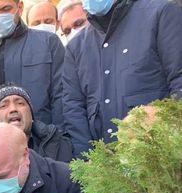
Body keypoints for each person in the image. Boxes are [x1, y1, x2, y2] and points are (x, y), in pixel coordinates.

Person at [62, 0, 182, 157]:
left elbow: (178, 78)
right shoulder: (76, 47)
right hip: (107, 164)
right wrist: (88, 160)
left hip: (160, 155)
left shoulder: (160, 13)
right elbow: (74, 108)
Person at [0, 0, 65, 127]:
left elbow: (61, 95)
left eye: (5, 9)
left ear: (20, 8)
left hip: (42, 134)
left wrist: (58, 135)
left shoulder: (48, 42)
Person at [0, 85, 74, 162]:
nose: (13, 109)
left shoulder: (60, 145)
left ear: (31, 116)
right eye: (3, 106)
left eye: (20, 103)